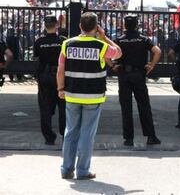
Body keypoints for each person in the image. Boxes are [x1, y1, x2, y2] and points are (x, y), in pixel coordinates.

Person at [58, 12, 122, 179]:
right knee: (87, 133)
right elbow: (119, 53)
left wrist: (60, 89)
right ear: (96, 27)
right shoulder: (101, 46)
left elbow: (60, 70)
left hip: (71, 94)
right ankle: (82, 171)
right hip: (93, 97)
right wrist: (104, 37)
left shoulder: (67, 44)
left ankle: (66, 169)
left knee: (71, 131)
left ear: (80, 26)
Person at [108, 15, 161, 146]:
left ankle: (128, 138)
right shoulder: (143, 39)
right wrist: (151, 65)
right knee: (144, 106)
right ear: (137, 25)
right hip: (138, 75)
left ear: (124, 25)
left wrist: (113, 66)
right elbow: (157, 51)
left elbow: (105, 55)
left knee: (126, 107)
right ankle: (150, 136)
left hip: (124, 75)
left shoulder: (119, 40)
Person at [33, 15, 66, 145]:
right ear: (57, 24)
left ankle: (48, 137)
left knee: (45, 108)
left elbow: (37, 60)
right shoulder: (63, 41)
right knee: (63, 107)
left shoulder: (39, 42)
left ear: (45, 26)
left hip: (45, 77)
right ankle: (64, 134)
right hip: (60, 76)